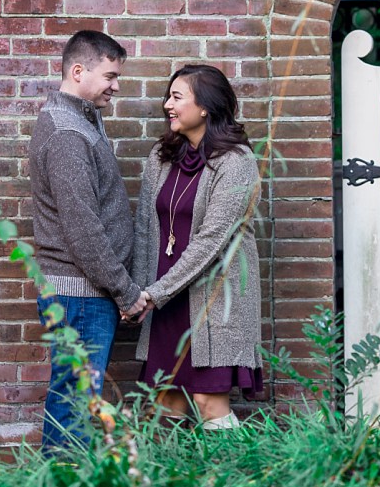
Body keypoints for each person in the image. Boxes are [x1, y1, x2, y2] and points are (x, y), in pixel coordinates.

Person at [29, 30, 150, 450]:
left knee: (77, 402)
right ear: (78, 71)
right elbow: (83, 229)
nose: (116, 86)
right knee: (74, 407)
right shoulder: (67, 134)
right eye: (110, 76)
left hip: (85, 294)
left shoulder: (81, 119)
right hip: (80, 296)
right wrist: (125, 291)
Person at [129, 64, 263, 430]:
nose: (167, 105)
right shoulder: (161, 156)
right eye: (167, 97)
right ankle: (172, 485)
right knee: (163, 402)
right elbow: (145, 228)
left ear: (205, 106)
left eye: (177, 97)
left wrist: (156, 293)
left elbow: (212, 243)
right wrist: (141, 294)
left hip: (212, 303)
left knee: (206, 402)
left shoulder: (236, 162)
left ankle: (241, 481)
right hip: (166, 303)